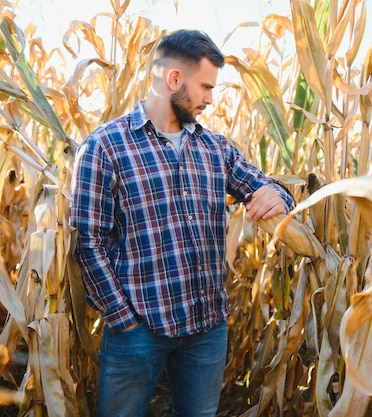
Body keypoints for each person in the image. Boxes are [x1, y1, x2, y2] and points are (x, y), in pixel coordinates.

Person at [70, 29, 295, 417]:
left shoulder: (215, 148)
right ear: (174, 80)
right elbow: (89, 241)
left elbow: (266, 187)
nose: (210, 98)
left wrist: (281, 195)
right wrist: (124, 320)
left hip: (206, 328)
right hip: (139, 328)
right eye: (205, 87)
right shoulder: (105, 147)